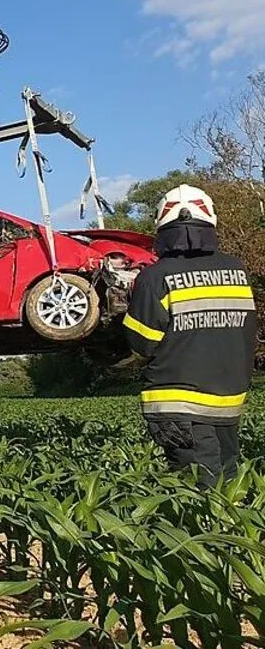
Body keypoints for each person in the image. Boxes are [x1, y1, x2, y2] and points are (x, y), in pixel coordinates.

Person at [122, 183, 258, 489]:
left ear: (163, 227)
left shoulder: (155, 276)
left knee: (199, 491)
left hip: (177, 406)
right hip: (227, 402)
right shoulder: (236, 271)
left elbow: (141, 341)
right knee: (228, 484)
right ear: (210, 222)